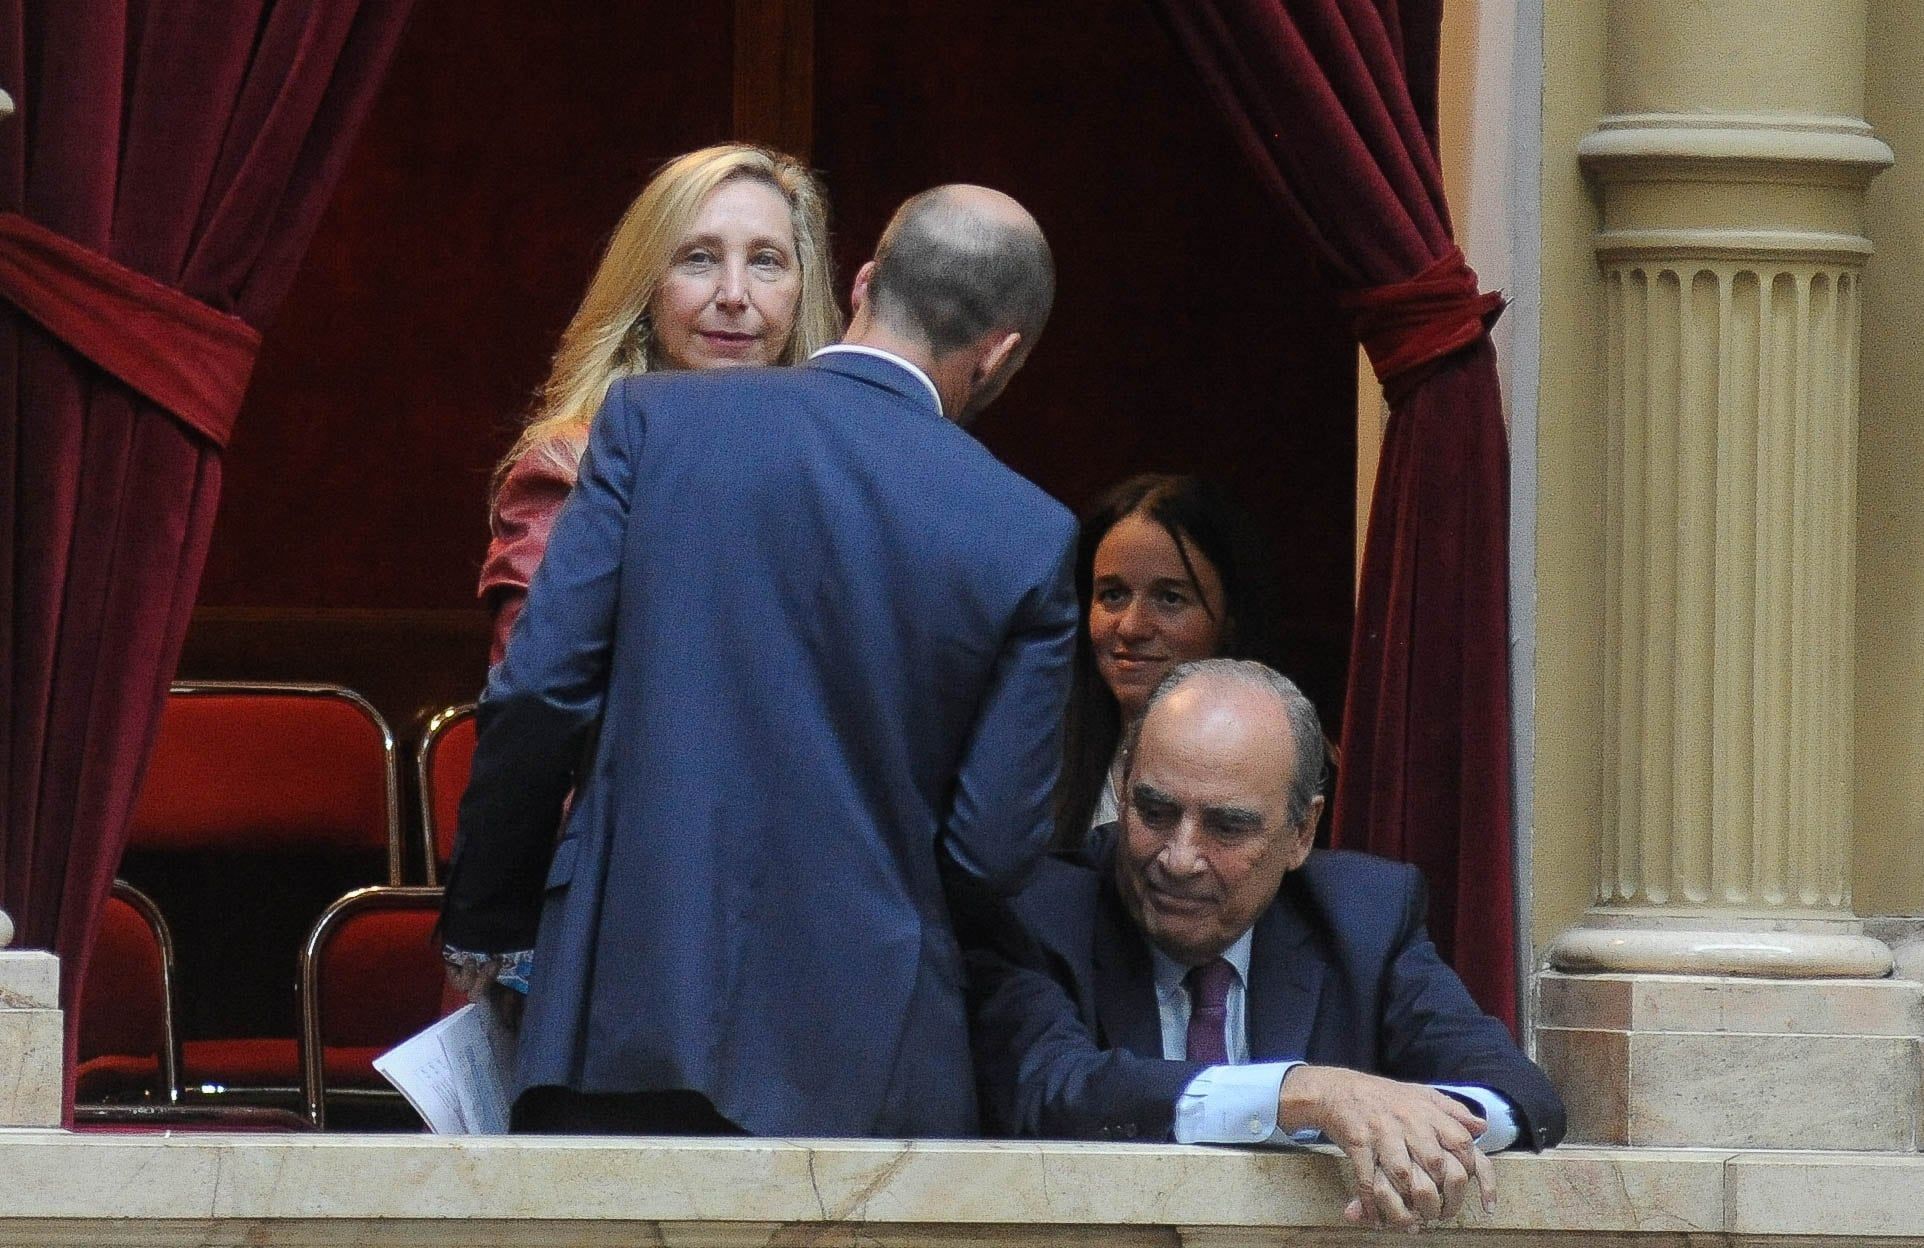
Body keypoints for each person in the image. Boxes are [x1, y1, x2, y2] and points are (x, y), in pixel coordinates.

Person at [440, 184, 1078, 1138]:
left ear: (863, 283)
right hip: (876, 1051)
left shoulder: (652, 424)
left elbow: (536, 695)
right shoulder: (1032, 533)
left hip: (628, 1008)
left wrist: (489, 923)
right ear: (1002, 350)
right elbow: (989, 852)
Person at [968, 658, 1564, 1231]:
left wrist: (1408, 1126)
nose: (1178, 858)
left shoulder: (1365, 917)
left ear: (1301, 831)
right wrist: (1301, 1093)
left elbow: (1518, 1092)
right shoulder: (1039, 913)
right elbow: (1053, 1091)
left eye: (1226, 826)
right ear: (1122, 790)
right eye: (1154, 811)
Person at [479, 143, 842, 665]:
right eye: (699, 259)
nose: (734, 294)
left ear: (801, 290)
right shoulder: (571, 466)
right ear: (648, 287)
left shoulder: (837, 465)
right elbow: (534, 702)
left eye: (766, 261)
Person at [1057, 475, 1285, 841]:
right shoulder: (1038, 755)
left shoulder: (1288, 762)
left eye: (1169, 598)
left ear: (1230, 622)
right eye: (1113, 595)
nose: (1131, 627)